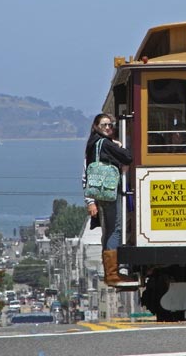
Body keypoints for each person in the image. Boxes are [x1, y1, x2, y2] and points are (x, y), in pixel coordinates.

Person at [84, 113, 136, 286]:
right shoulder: (105, 143)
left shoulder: (92, 144)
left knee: (108, 230)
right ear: (97, 126)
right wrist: (119, 146)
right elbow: (127, 157)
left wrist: (90, 200)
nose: (108, 128)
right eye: (104, 125)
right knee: (115, 229)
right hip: (111, 192)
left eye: (110, 125)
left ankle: (110, 273)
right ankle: (113, 274)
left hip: (100, 192)